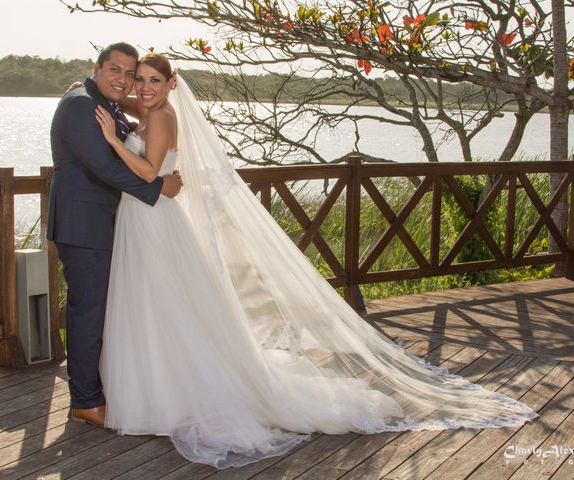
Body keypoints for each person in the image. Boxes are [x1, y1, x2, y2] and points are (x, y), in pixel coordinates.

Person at [96, 53, 537, 469]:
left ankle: (170, 394)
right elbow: (137, 120)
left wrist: (114, 140)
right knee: (155, 304)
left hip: (153, 216)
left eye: (155, 80)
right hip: (145, 217)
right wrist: (102, 91)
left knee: (165, 302)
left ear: (172, 84)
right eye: (140, 79)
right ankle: (154, 390)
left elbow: (152, 172)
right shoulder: (150, 111)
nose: (145, 87)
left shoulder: (162, 117)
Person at [47, 43, 183, 427]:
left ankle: (108, 388)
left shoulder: (100, 100)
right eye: (117, 71)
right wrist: (159, 187)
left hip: (111, 223)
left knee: (108, 309)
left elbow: (143, 114)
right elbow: (105, 167)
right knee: (88, 312)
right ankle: (85, 401)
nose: (124, 80)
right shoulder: (79, 106)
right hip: (83, 225)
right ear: (97, 68)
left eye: (132, 74)